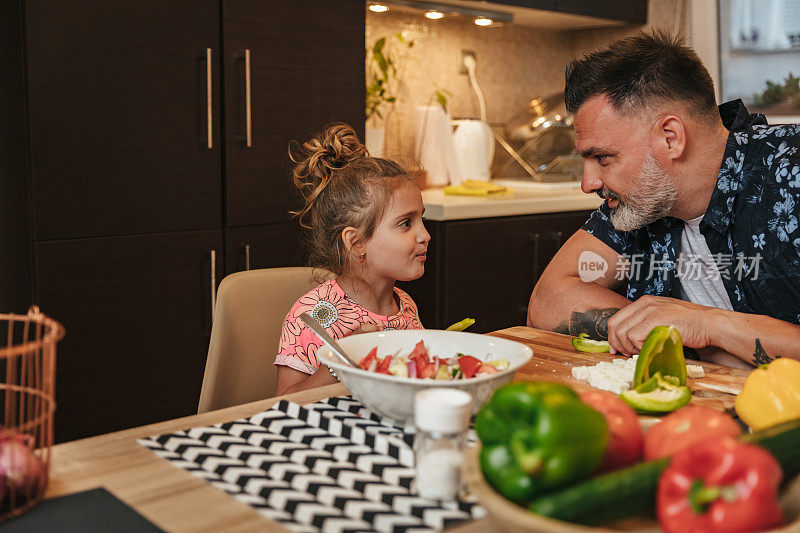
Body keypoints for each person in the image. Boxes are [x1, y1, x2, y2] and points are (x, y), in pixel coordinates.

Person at [527, 31, 800, 367]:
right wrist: (664, 330)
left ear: (670, 138)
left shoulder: (791, 174)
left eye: (603, 158)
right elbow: (548, 297)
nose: (588, 183)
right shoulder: (642, 200)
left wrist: (707, 324)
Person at [274, 124, 429, 395]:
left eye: (421, 220)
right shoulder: (311, 316)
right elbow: (282, 403)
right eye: (406, 223)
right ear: (356, 242)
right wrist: (343, 357)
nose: (424, 235)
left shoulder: (405, 306)